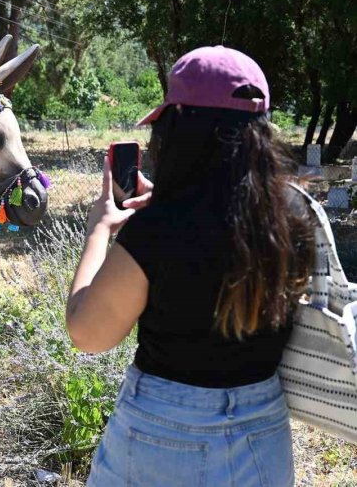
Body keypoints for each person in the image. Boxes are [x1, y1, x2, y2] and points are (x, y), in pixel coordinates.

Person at [66, 46, 315, 486]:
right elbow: (223, 220)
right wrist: (172, 198)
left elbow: (87, 333)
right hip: (264, 434)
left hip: (163, 435)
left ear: (179, 126)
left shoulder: (158, 229)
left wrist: (99, 231)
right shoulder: (292, 217)